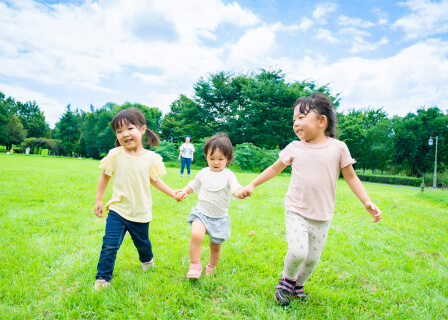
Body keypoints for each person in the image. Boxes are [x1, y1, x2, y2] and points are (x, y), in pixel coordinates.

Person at [240, 93, 382, 306]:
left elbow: (351, 176)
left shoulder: (338, 148)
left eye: (301, 118)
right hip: (296, 210)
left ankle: (298, 285)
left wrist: (367, 202)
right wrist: (252, 184)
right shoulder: (294, 148)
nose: (296, 123)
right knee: (298, 251)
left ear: (322, 121)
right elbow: (274, 168)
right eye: (294, 120)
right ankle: (286, 282)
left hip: (322, 215)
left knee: (312, 259)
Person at [93, 108, 182, 289]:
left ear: (142, 129)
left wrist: (172, 192)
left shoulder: (151, 158)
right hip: (118, 210)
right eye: (119, 131)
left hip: (140, 211)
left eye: (129, 128)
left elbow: (155, 180)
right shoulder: (115, 155)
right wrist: (99, 199)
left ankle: (147, 261)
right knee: (109, 244)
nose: (124, 134)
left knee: (142, 244)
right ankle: (102, 278)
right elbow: (104, 176)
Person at [175, 133, 245, 278]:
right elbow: (194, 185)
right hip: (201, 213)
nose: (216, 162)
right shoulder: (203, 173)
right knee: (196, 235)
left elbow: (235, 189)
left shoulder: (229, 175)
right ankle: (195, 265)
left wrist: (240, 193)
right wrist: (184, 191)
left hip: (219, 217)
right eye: (211, 158)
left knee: (215, 245)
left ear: (228, 159)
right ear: (206, 156)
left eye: (221, 159)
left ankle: (211, 265)